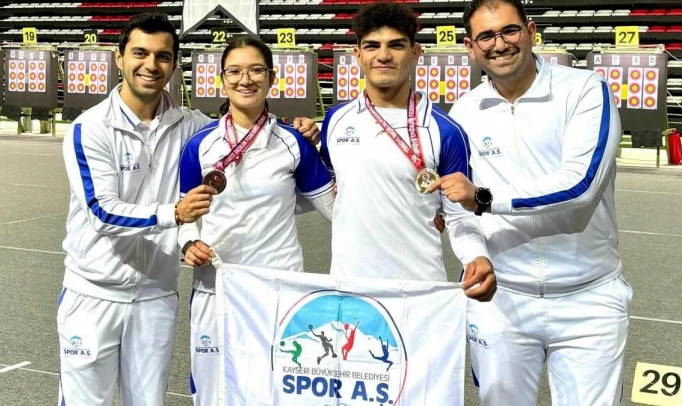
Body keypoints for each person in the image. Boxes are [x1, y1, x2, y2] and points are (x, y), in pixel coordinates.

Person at [58, 13, 321, 406]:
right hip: (94, 293)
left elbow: (248, 141)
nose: (151, 65)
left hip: (157, 295)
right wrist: (175, 215)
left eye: (163, 56)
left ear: (174, 64)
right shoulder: (91, 127)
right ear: (119, 57)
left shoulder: (192, 127)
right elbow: (101, 211)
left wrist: (299, 133)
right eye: (140, 53)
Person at [428, 1, 629, 405]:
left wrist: (484, 198)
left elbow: (581, 185)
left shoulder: (585, 89)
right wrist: (473, 254)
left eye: (509, 31)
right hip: (501, 300)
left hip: (589, 298)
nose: (499, 44)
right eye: (486, 36)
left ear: (531, 31)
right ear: (470, 46)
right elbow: (458, 210)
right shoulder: (464, 113)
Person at [178, 36, 335, 406]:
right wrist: (187, 243)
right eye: (234, 71)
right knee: (212, 393)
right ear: (222, 80)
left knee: (275, 392)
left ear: (271, 77)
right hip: (216, 286)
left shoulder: (294, 142)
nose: (245, 79)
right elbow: (185, 214)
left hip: (276, 288)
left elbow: (336, 209)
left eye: (255, 70)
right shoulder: (199, 145)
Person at [319, 2, 496, 300]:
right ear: (357, 55)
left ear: (415, 53)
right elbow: (331, 191)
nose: (383, 55)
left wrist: (475, 255)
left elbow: (460, 214)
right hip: (348, 288)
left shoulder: (445, 130)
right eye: (372, 46)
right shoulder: (335, 120)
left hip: (419, 291)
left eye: (396, 45)